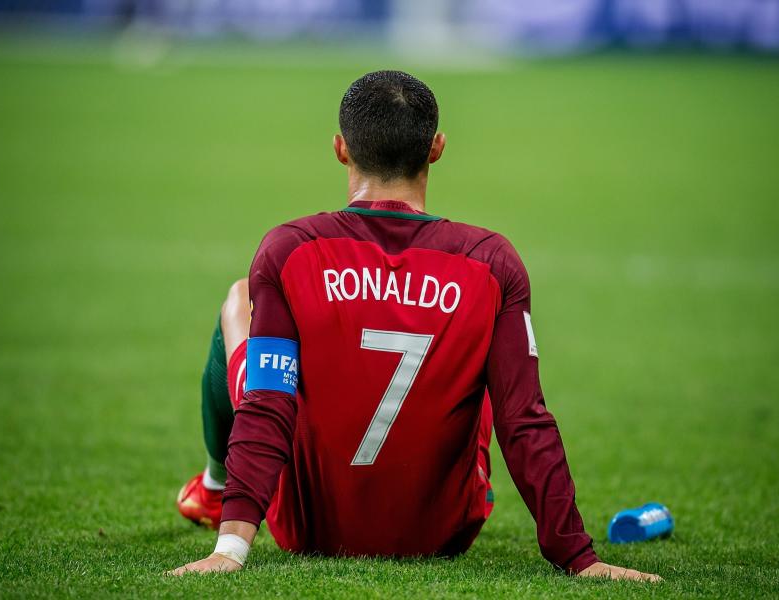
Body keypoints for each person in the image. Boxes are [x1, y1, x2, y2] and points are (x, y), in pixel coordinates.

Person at [169, 70, 660, 582]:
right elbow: (524, 420)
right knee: (483, 358)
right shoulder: (490, 261)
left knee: (241, 299)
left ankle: (215, 484)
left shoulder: (290, 250)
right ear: (437, 148)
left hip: (307, 529)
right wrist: (579, 557)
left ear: (341, 148)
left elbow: (269, 404)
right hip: (443, 533)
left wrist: (231, 548)